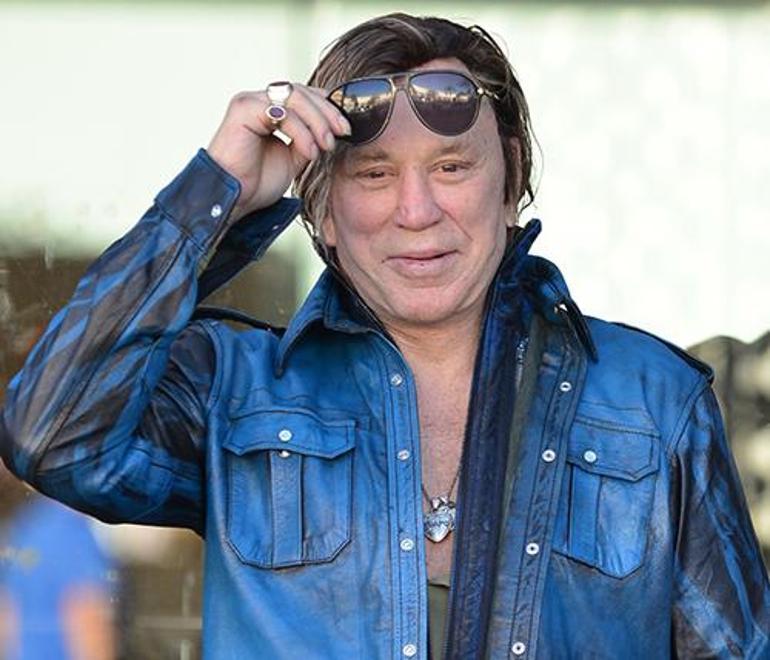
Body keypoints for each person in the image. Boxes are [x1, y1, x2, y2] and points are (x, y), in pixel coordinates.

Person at [0, 12, 768, 659]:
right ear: (323, 213)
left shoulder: (654, 401)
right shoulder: (234, 390)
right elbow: (53, 435)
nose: (416, 210)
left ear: (511, 183)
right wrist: (215, 196)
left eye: (452, 166)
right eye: (373, 174)